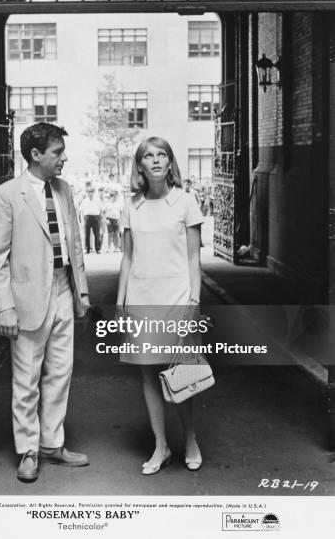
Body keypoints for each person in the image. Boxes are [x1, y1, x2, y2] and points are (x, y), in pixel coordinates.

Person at [0, 122, 90, 483]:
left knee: (60, 373)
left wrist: (82, 292)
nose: (63, 158)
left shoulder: (64, 190)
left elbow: (74, 244)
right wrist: (5, 306)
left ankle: (51, 444)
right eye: (57, 152)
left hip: (62, 289)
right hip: (27, 298)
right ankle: (28, 450)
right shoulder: (6, 195)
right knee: (27, 378)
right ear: (35, 155)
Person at [116, 137, 204, 475]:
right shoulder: (131, 206)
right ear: (139, 166)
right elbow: (126, 257)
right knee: (149, 374)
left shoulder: (185, 202)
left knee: (182, 371)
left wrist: (193, 302)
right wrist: (121, 302)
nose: (155, 161)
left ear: (170, 163)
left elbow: (194, 257)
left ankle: (191, 438)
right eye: (147, 156)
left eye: (161, 155)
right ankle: (161, 446)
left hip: (178, 298)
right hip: (140, 300)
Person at [80, 187, 103, 254]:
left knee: (97, 234)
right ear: (87, 193)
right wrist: (82, 219)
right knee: (87, 234)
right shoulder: (84, 200)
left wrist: (100, 219)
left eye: (91, 192)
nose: (90, 193)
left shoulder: (97, 200)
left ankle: (98, 249)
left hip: (96, 217)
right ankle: (87, 249)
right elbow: (81, 210)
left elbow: (101, 209)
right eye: (88, 192)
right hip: (87, 217)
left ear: (93, 192)